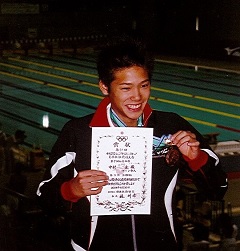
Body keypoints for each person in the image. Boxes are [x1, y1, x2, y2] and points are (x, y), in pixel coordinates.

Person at [36, 35, 228, 251]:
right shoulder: (78, 133)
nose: (137, 97)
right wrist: (71, 190)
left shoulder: (171, 126)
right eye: (126, 88)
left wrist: (196, 158)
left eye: (144, 85)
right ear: (104, 87)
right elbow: (44, 197)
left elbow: (218, 190)